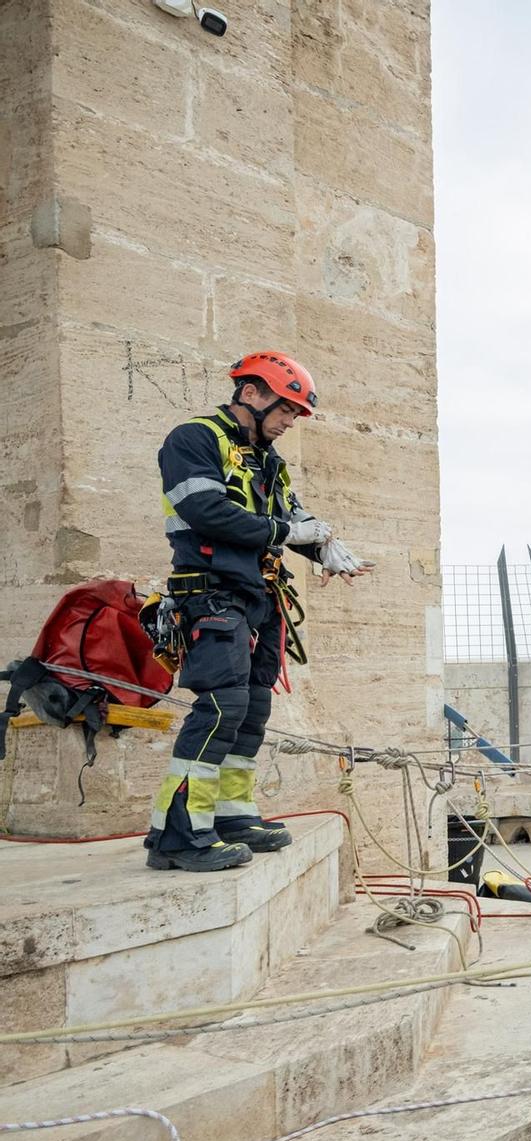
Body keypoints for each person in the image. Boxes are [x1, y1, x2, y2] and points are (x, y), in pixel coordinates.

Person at [145, 351, 372, 872]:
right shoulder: (194, 439)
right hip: (211, 593)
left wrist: (327, 549)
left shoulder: (268, 460)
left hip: (258, 596)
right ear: (251, 394)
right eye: (287, 409)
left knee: (251, 708)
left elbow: (290, 514)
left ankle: (230, 814)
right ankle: (177, 834)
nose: (291, 422)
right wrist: (287, 533)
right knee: (221, 707)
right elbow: (204, 509)